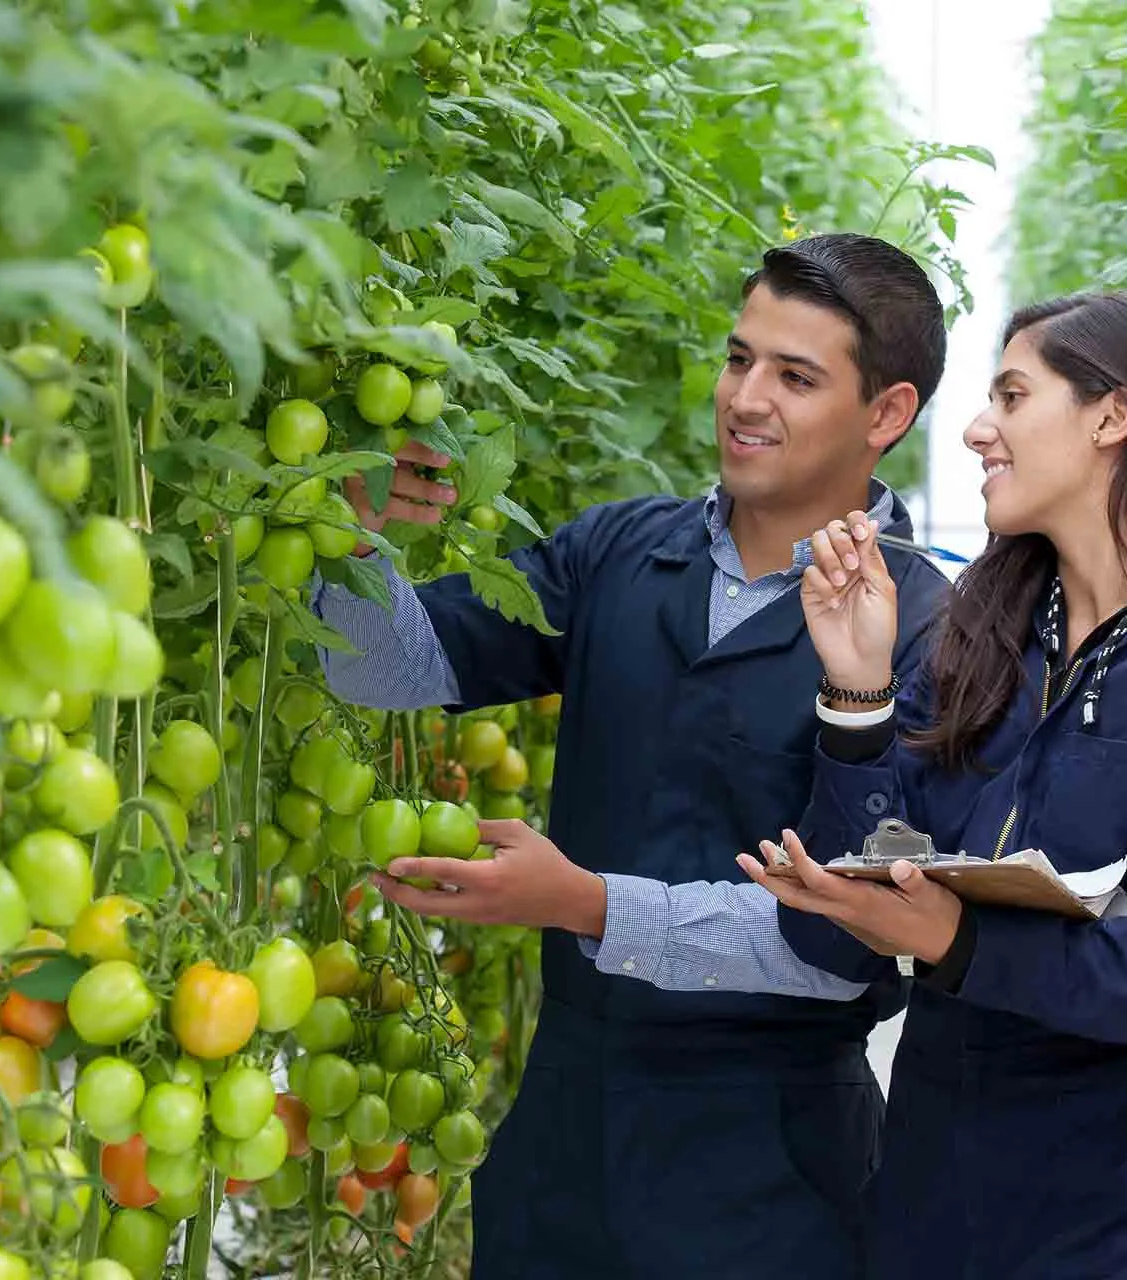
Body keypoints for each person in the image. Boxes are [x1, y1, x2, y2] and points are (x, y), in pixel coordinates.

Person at [525, 291, 1127, 1276]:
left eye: (1013, 395)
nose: (980, 428)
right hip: (942, 1189)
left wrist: (955, 935)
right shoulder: (989, 635)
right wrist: (855, 696)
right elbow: (829, 925)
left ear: (1114, 415)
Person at [314, 233, 953, 1279]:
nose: (747, 397)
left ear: (886, 414)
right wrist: (351, 532)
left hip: (770, 1157)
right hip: (567, 1123)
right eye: (741, 358)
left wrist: (586, 904)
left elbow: (844, 935)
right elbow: (396, 668)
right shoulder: (618, 550)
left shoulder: (926, 626)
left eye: (796, 376)